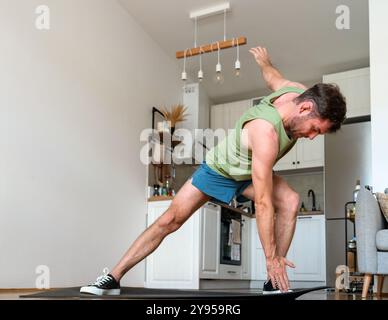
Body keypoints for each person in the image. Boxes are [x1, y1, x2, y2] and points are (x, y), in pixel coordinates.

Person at [80, 46, 346, 295]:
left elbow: (271, 76)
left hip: (246, 175)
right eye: (315, 129)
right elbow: (264, 204)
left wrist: (264, 61)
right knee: (169, 221)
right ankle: (112, 278)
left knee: (290, 200)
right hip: (219, 169)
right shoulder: (265, 132)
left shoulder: (294, 90)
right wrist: (270, 257)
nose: (312, 136)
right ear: (305, 107)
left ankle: (272, 283)